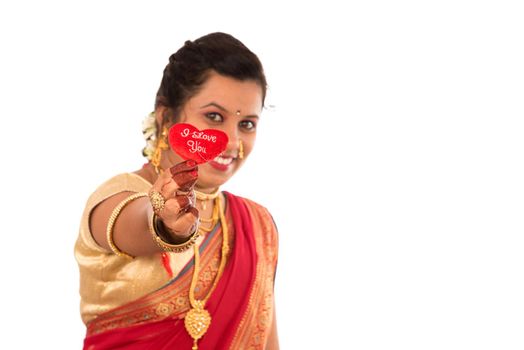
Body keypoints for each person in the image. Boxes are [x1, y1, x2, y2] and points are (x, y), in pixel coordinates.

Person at [75, 32, 279, 350]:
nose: (233, 141)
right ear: (167, 117)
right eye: (214, 117)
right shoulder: (115, 198)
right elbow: (139, 218)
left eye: (247, 124)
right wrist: (165, 221)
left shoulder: (258, 224)